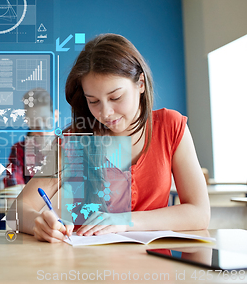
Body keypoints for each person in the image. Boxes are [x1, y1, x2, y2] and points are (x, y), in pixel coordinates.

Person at [12, 33, 210, 243]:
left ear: (140, 83)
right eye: (93, 101)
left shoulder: (170, 127)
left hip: (155, 267)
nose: (105, 113)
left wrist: (125, 221)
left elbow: (199, 213)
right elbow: (16, 211)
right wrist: (38, 223)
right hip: (88, 267)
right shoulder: (76, 138)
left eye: (115, 97)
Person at [3, 88, 58, 187]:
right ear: (27, 121)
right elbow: (13, 186)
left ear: (56, 116)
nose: (41, 129)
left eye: (45, 120)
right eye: (34, 122)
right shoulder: (19, 150)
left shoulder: (69, 146)